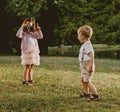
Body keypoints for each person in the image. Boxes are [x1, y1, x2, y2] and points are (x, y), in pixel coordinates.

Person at [16, 17, 43, 85]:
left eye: (30, 25)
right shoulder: (23, 33)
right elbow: (18, 35)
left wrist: (39, 30)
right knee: (27, 67)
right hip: (27, 52)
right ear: (25, 24)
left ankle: (30, 79)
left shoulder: (33, 33)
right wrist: (22, 27)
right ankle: (25, 81)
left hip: (34, 51)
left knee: (31, 67)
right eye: (27, 25)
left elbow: (40, 36)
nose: (28, 27)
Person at [77, 25, 100, 101]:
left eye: (78, 35)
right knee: (83, 79)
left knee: (87, 81)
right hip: (84, 65)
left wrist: (90, 66)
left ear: (82, 36)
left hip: (87, 65)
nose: (78, 37)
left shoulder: (88, 45)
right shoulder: (85, 45)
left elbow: (91, 55)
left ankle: (96, 95)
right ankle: (86, 93)